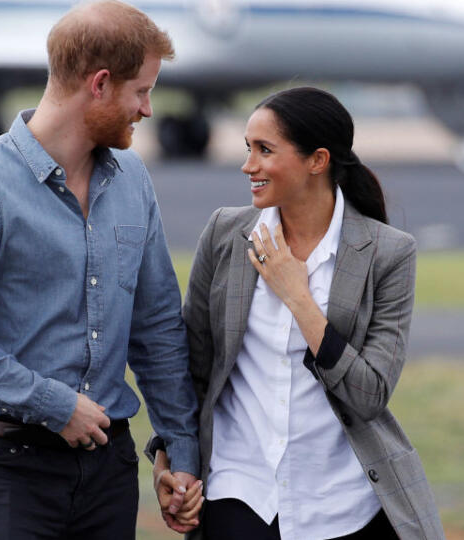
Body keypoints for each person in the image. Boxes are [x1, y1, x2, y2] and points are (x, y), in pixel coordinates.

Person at [0, 2, 200, 538]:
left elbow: (157, 326)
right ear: (99, 84)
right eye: (141, 91)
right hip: (6, 470)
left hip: (109, 472)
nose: (148, 110)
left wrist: (180, 451)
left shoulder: (134, 180)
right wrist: (53, 403)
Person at [150, 87, 445, 539]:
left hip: (342, 505)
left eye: (265, 150)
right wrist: (171, 456)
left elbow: (370, 395)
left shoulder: (388, 253)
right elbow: (193, 369)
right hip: (240, 491)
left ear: (317, 160)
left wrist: (299, 299)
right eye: (249, 149)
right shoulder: (225, 234)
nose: (248, 165)